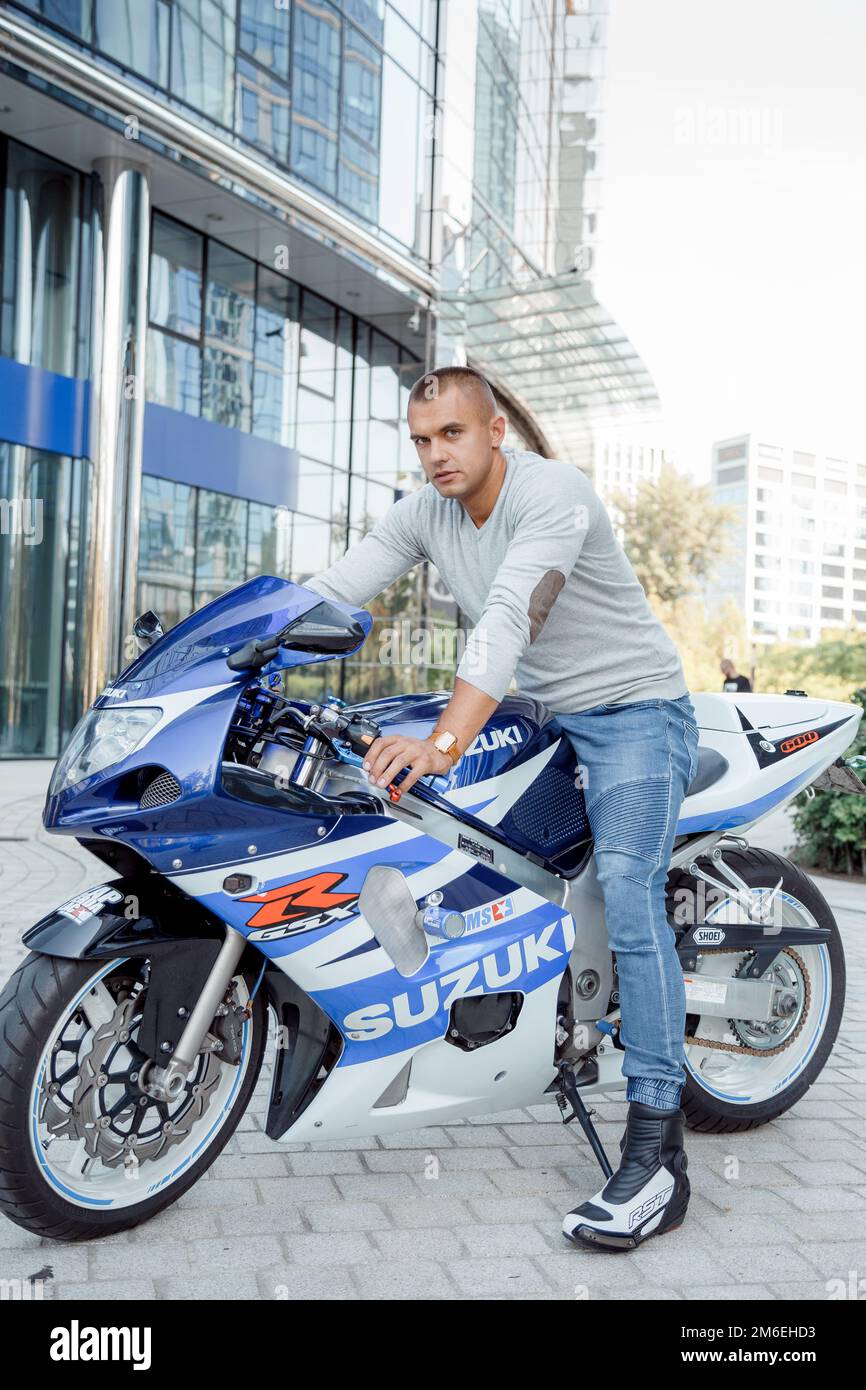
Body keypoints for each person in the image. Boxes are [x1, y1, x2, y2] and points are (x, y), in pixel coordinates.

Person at [305, 365, 700, 1251]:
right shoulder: (425, 511)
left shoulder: (553, 493)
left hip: (637, 711)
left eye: (451, 434)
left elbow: (511, 619)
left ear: (494, 434)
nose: (435, 454)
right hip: (551, 716)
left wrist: (440, 745)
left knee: (631, 894)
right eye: (420, 439)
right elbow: (333, 589)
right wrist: (229, 646)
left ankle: (659, 1155)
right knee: (470, 849)